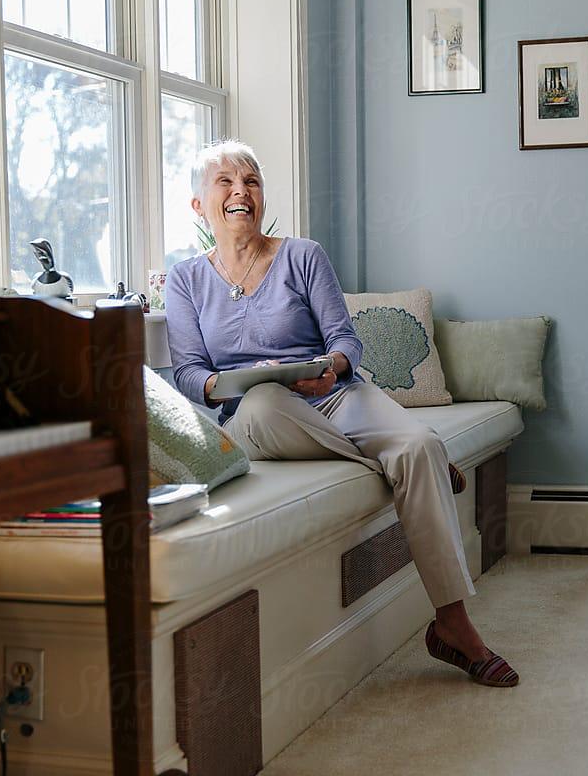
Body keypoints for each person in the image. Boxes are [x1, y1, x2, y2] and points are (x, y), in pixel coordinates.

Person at [165, 140, 518, 687]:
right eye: (226, 183)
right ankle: (395, 464)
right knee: (267, 401)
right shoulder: (185, 280)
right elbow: (186, 372)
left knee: (419, 446)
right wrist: (221, 383)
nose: (241, 192)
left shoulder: (302, 255)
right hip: (258, 413)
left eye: (252, 182)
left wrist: (330, 367)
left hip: (332, 396)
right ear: (199, 206)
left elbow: (345, 341)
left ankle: (452, 624)